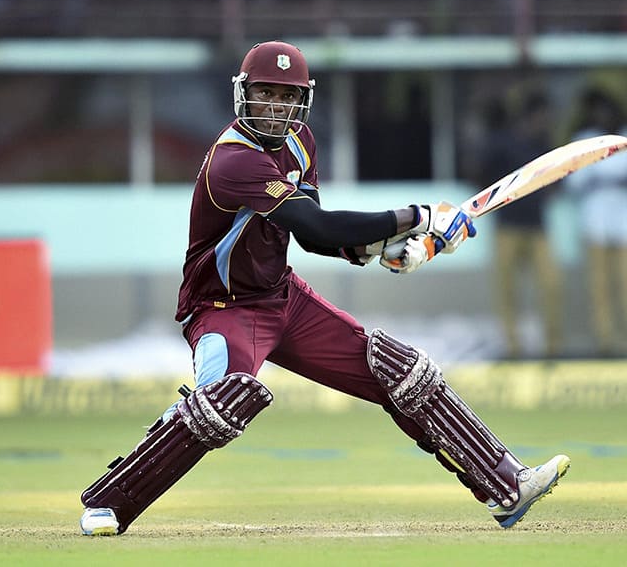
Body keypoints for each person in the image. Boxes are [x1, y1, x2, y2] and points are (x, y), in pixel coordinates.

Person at [78, 41, 570, 536]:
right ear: (243, 95)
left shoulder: (301, 141)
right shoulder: (233, 162)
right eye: (265, 94)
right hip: (223, 308)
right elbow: (316, 220)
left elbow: (316, 238)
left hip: (283, 299)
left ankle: (507, 485)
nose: (276, 107)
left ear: (303, 101)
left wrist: (380, 248)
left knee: (401, 371)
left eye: (287, 97)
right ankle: (110, 503)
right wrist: (416, 216)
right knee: (222, 403)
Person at [474, 89, 563, 359]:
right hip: (508, 226)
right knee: (507, 289)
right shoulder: (502, 142)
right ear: (530, 116)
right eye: (543, 116)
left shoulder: (542, 143)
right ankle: (512, 346)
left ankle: (552, 347)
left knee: (551, 284)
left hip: (537, 226)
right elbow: (479, 173)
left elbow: (559, 175)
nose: (546, 122)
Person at [564, 87, 627, 357]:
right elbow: (573, 180)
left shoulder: (624, 137)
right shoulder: (584, 141)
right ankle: (605, 342)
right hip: (595, 218)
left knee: (624, 283)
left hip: (622, 219)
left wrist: (604, 176)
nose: (604, 115)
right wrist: (604, 177)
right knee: (599, 285)